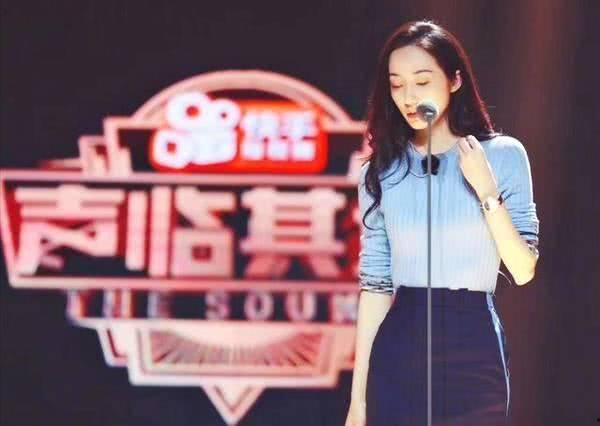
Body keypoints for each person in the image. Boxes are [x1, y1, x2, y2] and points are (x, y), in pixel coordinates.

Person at [344, 20, 540, 426]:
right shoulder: (381, 171)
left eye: (421, 81)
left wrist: (486, 191)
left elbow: (522, 270)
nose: (408, 97)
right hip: (402, 340)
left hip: (474, 342)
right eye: (397, 85)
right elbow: (376, 288)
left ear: (454, 80)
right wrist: (358, 403)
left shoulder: (503, 155)